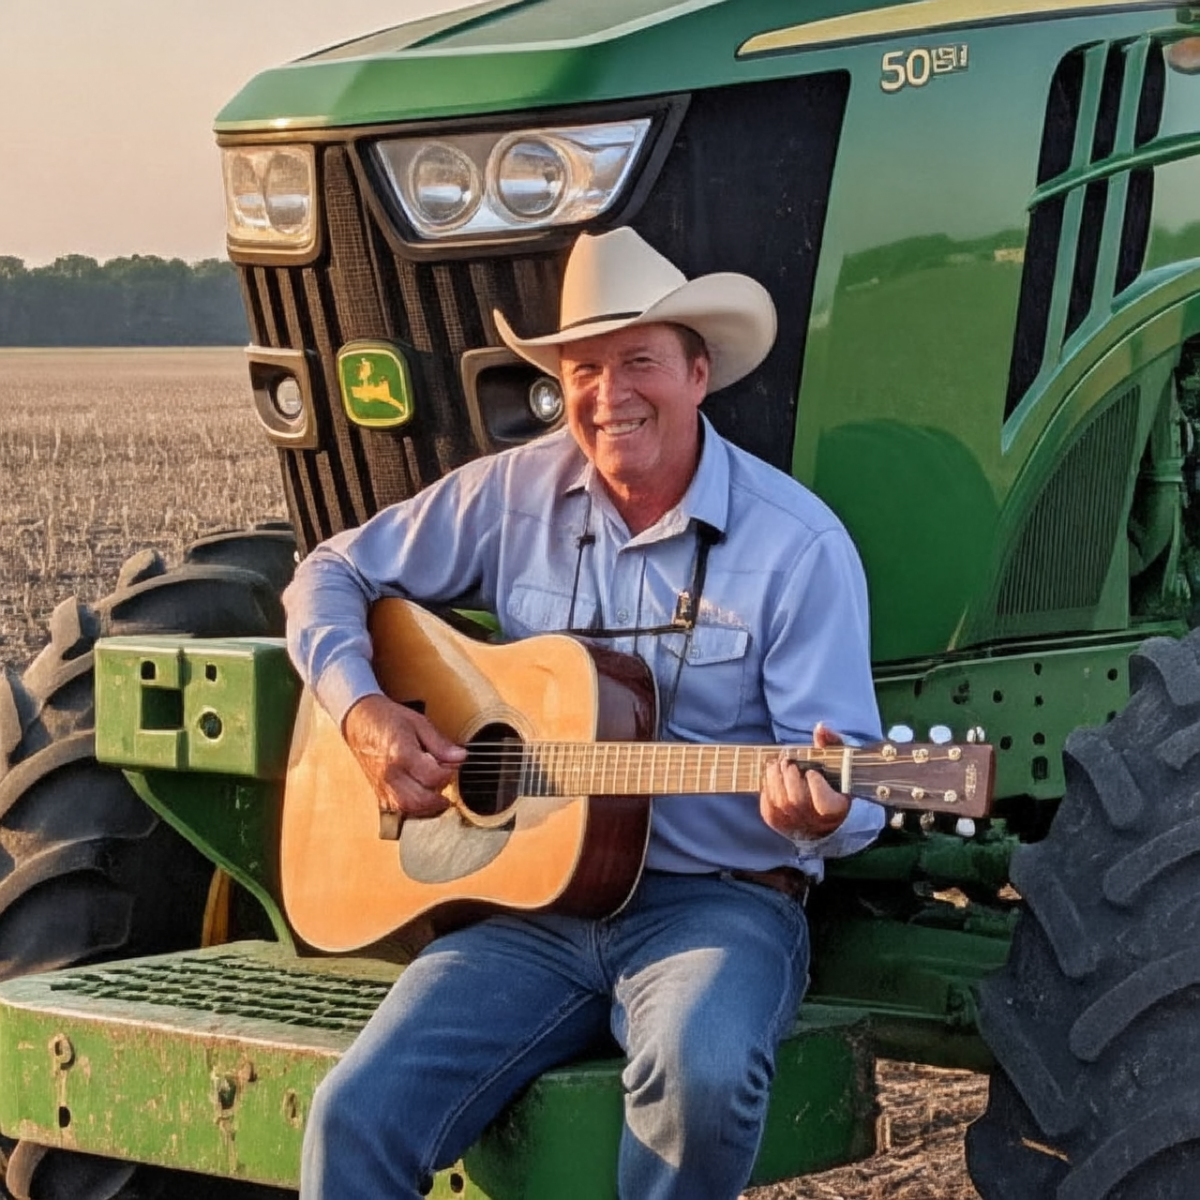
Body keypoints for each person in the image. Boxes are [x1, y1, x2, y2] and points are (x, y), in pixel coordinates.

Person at [285, 226, 884, 1199]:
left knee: (701, 1074)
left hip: (716, 908)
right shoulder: (510, 493)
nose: (610, 395)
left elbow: (851, 779)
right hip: (527, 910)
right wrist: (361, 711)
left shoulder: (797, 547)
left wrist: (820, 810)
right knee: (355, 1111)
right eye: (584, 370)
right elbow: (330, 571)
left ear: (698, 373)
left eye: (639, 362)